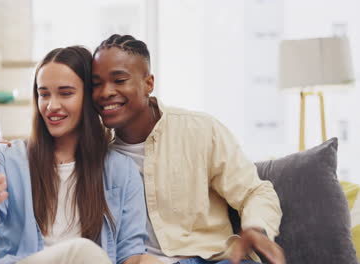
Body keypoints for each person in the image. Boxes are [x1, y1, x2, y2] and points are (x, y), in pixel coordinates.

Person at [91, 34, 285, 264]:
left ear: (148, 83)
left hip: (212, 259)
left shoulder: (199, 130)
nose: (105, 92)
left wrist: (256, 229)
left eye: (119, 80)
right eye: (96, 84)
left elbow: (254, 192)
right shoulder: (97, 157)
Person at [0, 46, 148, 264]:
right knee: (83, 251)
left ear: (89, 98)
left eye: (66, 93)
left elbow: (131, 254)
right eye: (44, 94)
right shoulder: (11, 159)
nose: (51, 106)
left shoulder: (122, 171)